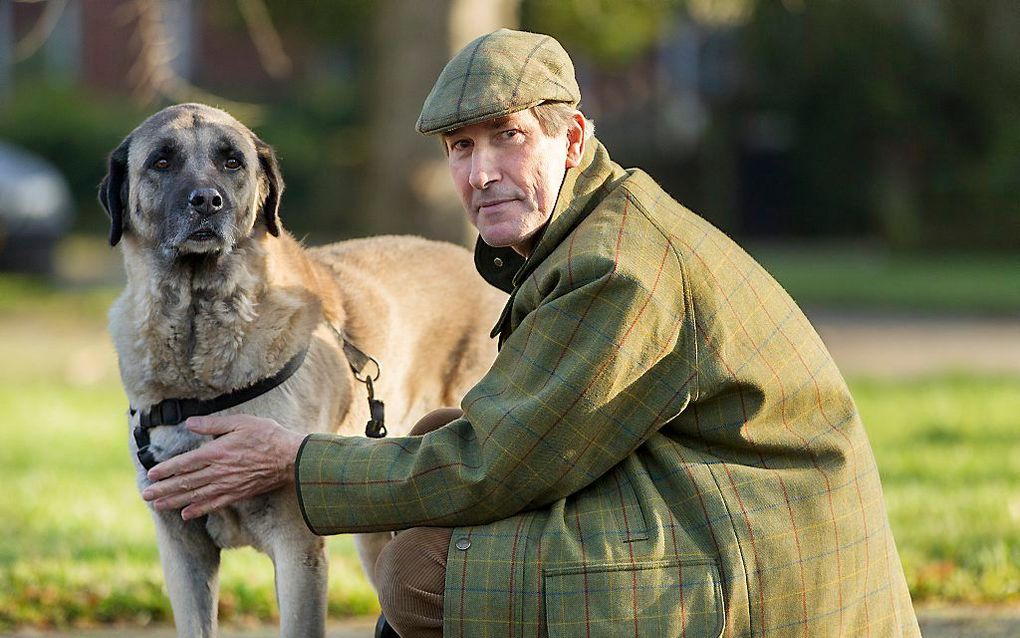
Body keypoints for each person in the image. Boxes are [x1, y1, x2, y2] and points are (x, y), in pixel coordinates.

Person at [143, 28, 921, 637]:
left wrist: (299, 464)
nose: (481, 172)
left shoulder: (614, 269)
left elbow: (492, 466)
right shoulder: (592, 230)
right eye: (461, 147)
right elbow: (502, 435)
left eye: (508, 136)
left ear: (573, 138)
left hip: (772, 586)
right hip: (727, 524)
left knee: (425, 568)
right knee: (442, 444)